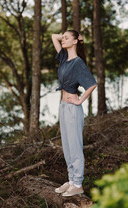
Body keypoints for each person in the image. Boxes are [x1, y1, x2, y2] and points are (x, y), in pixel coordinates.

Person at [51, 30, 97, 197]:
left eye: (66, 38)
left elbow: (92, 84)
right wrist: (73, 38)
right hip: (63, 107)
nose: (62, 39)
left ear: (75, 41)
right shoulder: (64, 58)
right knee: (67, 146)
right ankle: (71, 180)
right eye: (62, 38)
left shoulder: (78, 63)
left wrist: (79, 101)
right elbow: (53, 37)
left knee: (75, 146)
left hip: (72, 108)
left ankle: (78, 183)